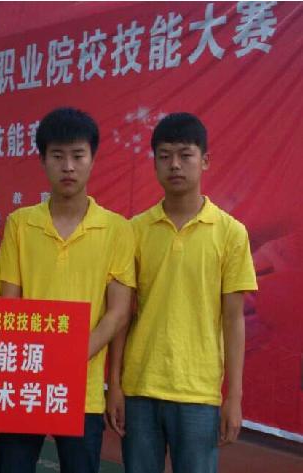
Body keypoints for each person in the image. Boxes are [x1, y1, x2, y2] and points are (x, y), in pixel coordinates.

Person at [107, 113, 258, 473]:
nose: (174, 164)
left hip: (198, 393)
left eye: (185, 155)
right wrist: (114, 384)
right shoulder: (135, 230)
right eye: (164, 156)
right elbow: (122, 313)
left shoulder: (230, 233)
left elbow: (233, 320)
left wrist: (233, 397)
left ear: (205, 161)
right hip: (140, 387)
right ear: (155, 163)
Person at [0, 107, 136, 473]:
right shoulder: (20, 224)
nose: (68, 167)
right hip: (24, 381)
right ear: (42, 161)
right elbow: (9, 304)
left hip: (82, 391)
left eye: (78, 156)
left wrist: (73, 357)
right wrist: (40, 361)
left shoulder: (117, 230)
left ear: (93, 159)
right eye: (58, 156)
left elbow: (118, 312)